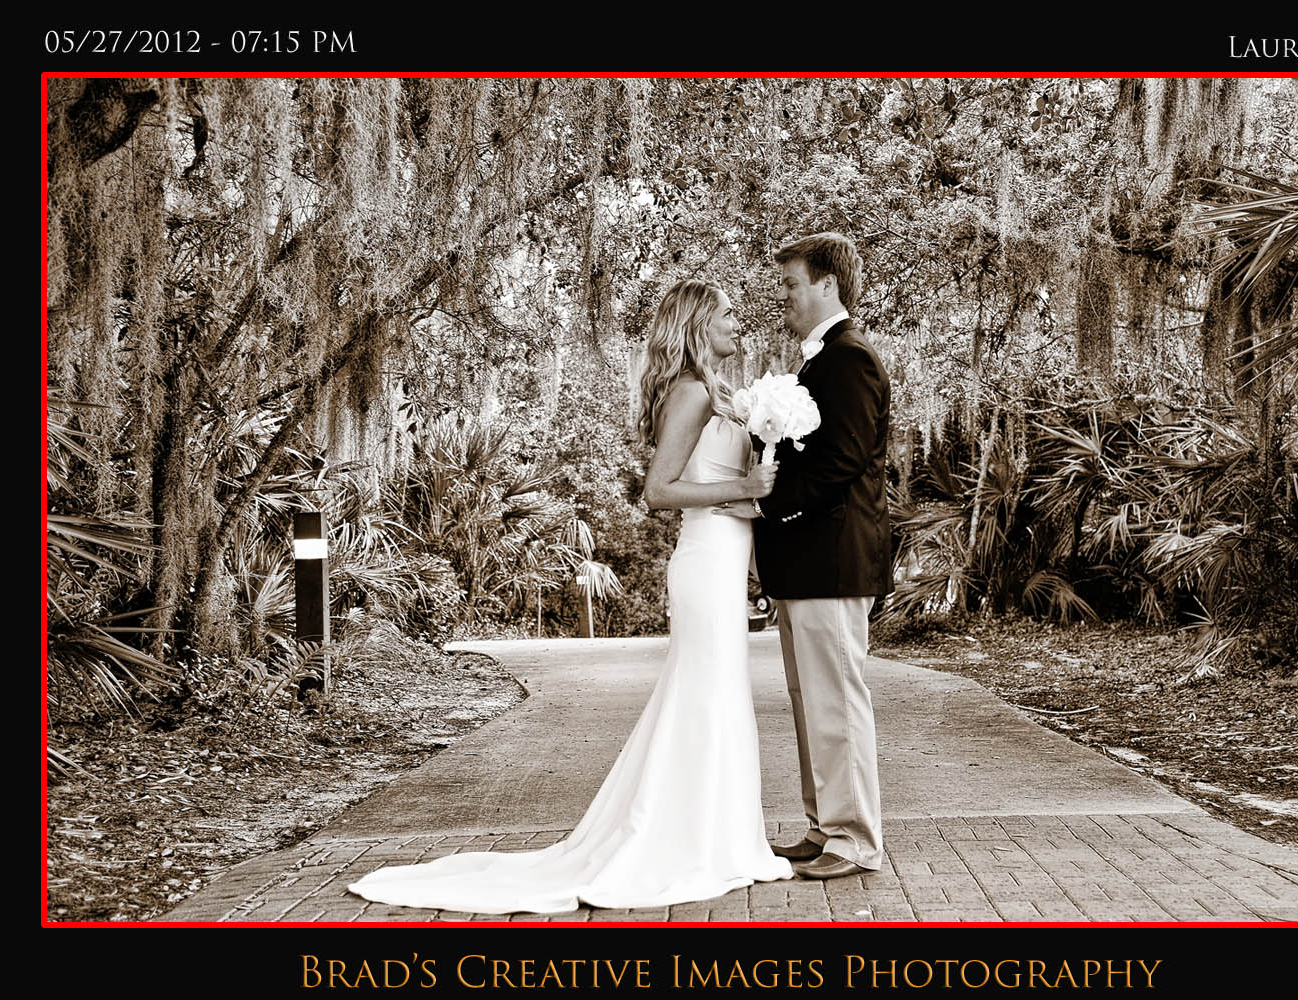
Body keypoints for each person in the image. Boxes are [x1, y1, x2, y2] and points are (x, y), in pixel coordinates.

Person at [346, 280, 794, 914]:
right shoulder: (691, 392)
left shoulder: (715, 391)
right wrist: (744, 488)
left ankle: (716, 833)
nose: (736, 324)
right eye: (726, 314)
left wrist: (754, 499)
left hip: (725, 557)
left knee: (714, 694)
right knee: (706, 693)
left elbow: (720, 486)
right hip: (704, 558)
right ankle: (692, 840)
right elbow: (659, 492)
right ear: (698, 323)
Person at [714, 232, 892, 880]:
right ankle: (825, 827)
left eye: (791, 283)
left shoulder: (850, 360)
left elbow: (840, 464)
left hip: (832, 564)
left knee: (836, 701)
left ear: (827, 284)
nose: (783, 295)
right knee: (809, 701)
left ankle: (855, 840)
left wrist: (765, 507)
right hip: (805, 566)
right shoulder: (820, 362)